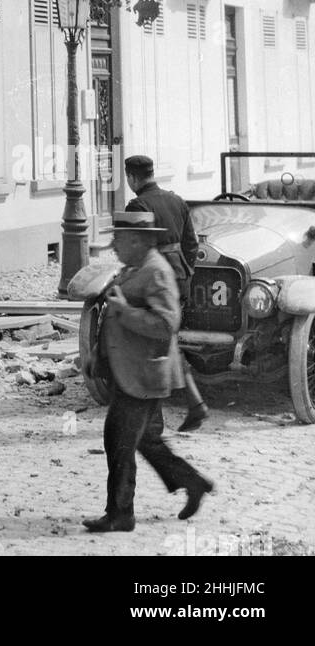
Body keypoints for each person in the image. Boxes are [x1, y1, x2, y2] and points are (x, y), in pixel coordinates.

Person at [82, 212, 214, 533]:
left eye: (119, 239)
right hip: (133, 371)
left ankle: (120, 514)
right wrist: (97, 356)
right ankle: (193, 482)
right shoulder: (137, 268)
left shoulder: (156, 272)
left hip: (143, 376)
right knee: (146, 441)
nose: (113, 245)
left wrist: (125, 312)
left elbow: (167, 323)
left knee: (119, 441)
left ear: (139, 241)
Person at [125, 153, 209, 431]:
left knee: (149, 346)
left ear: (133, 177)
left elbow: (132, 251)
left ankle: (155, 420)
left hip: (153, 281)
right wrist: (185, 274)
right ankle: (195, 405)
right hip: (180, 278)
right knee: (168, 341)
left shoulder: (137, 204)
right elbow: (192, 244)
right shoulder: (176, 200)